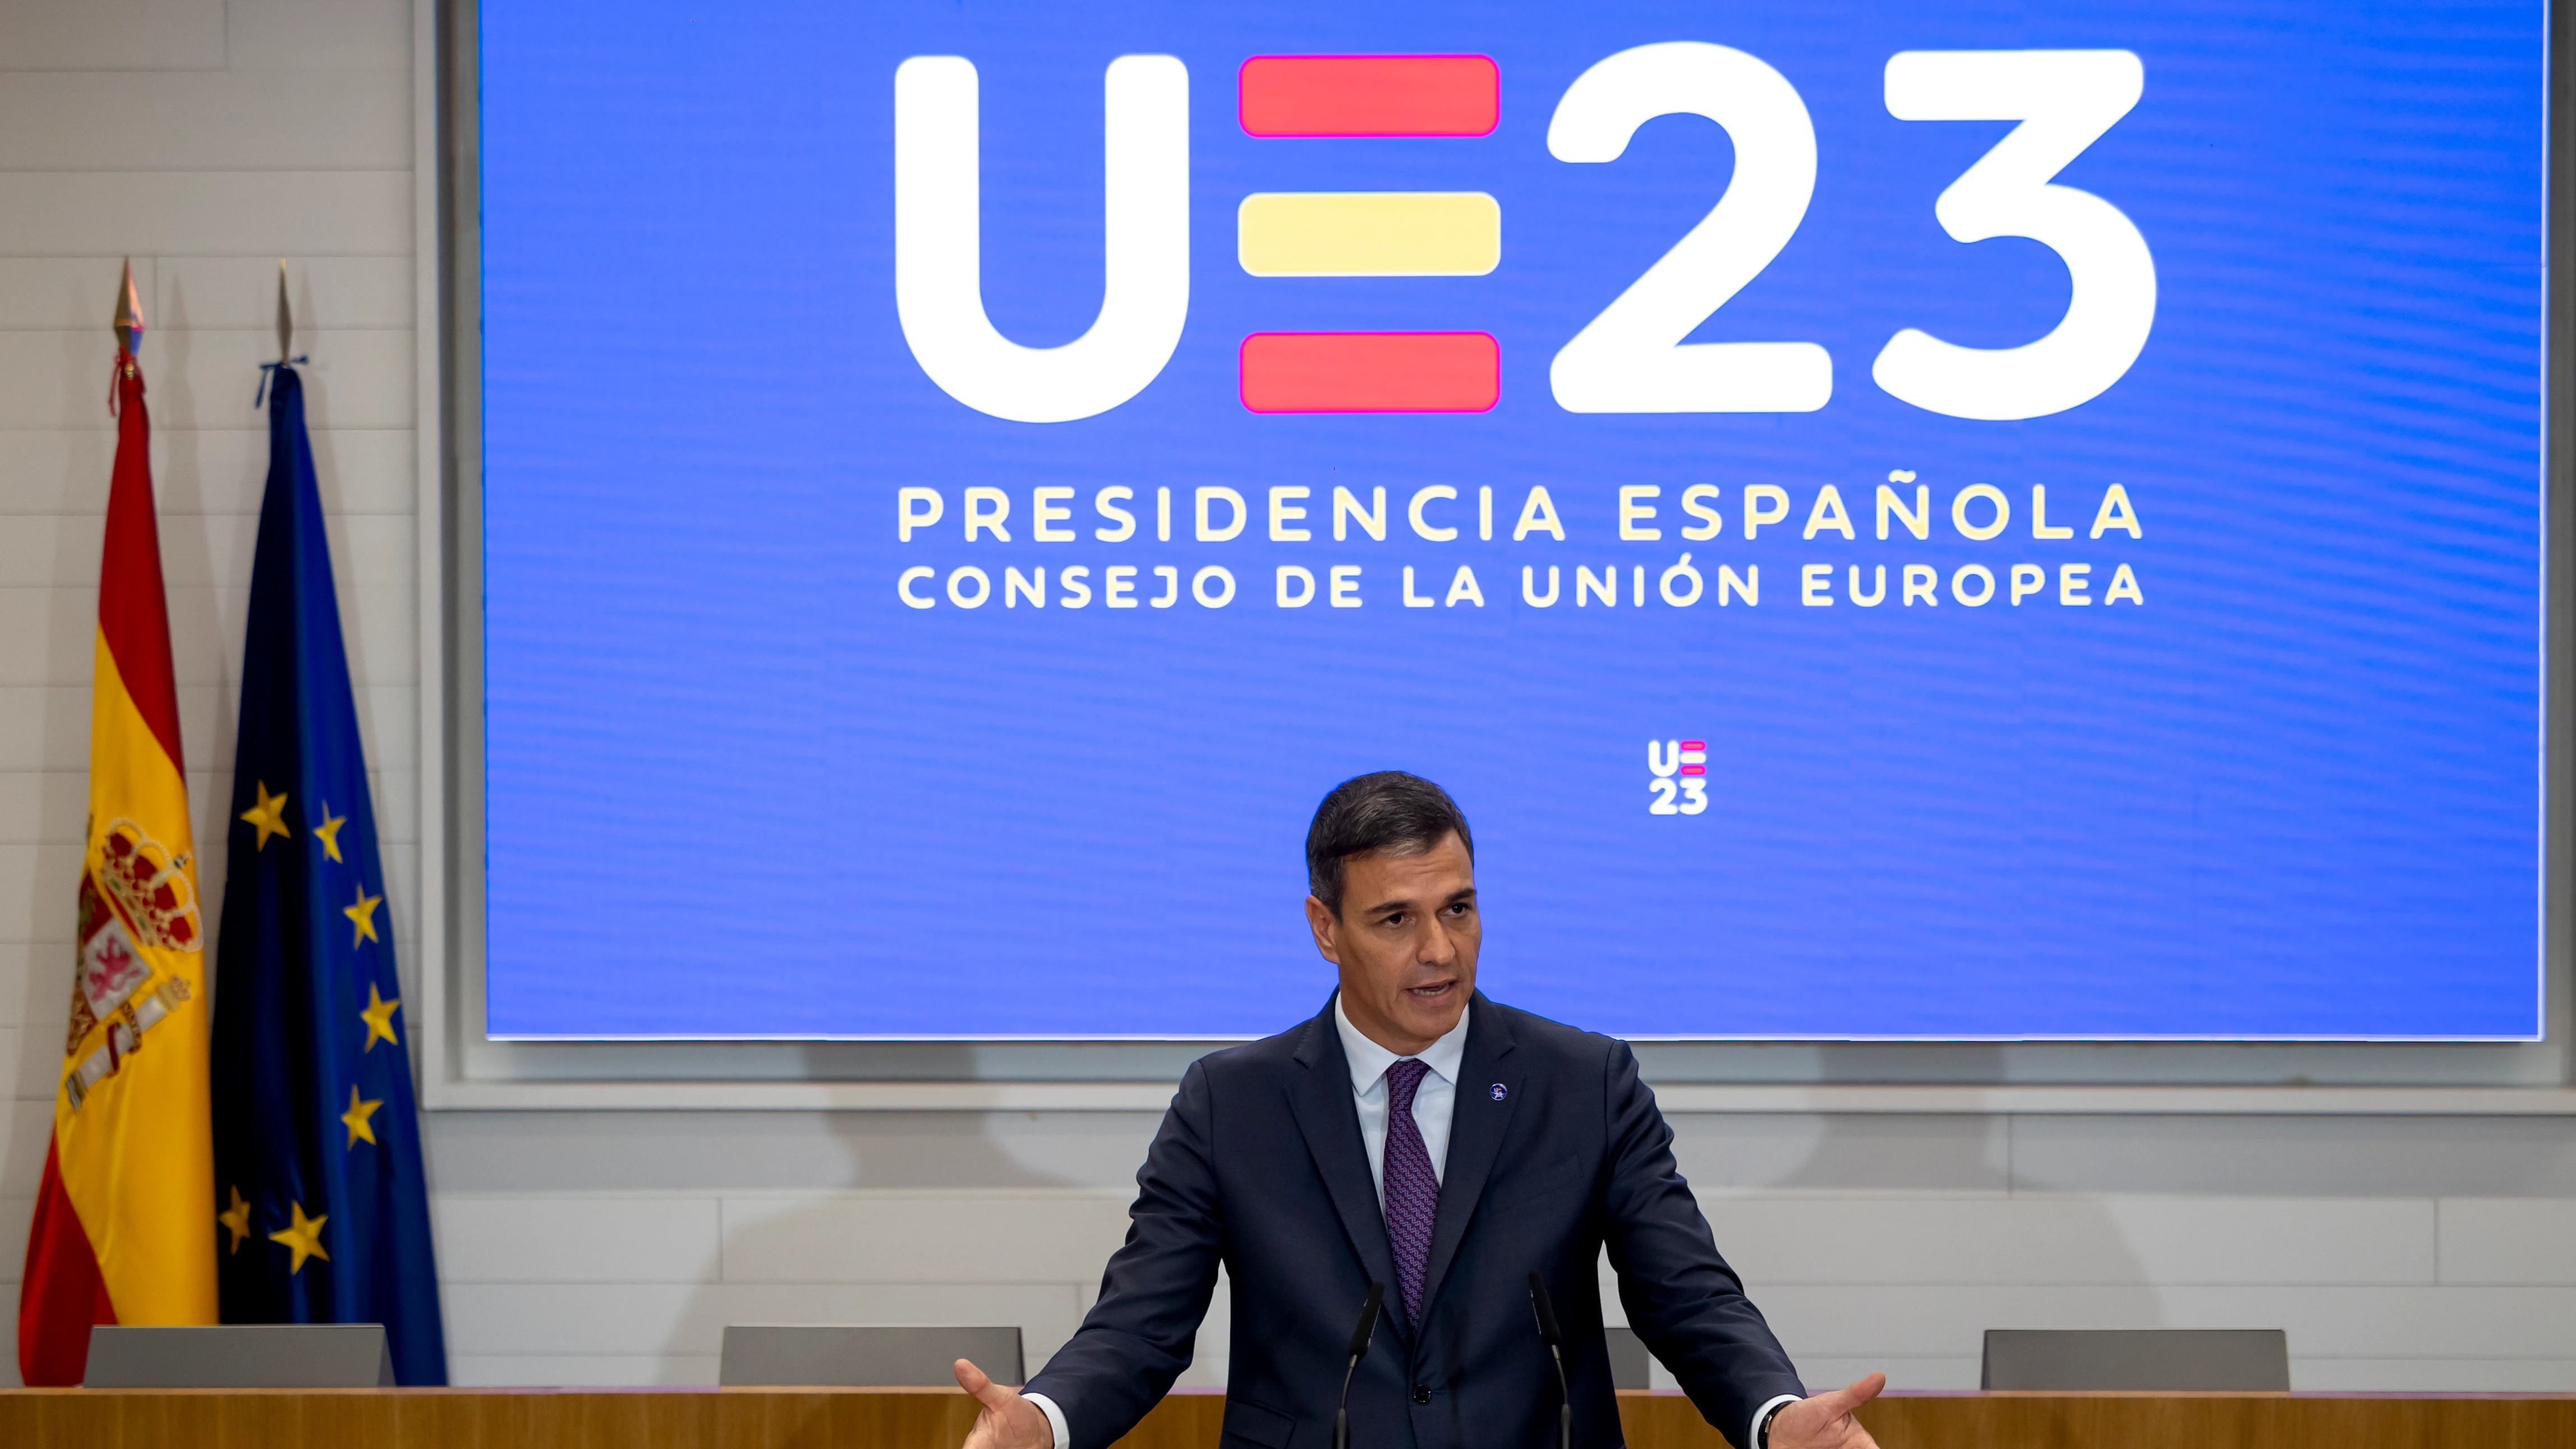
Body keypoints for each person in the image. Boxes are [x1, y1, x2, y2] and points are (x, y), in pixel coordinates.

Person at [953, 772, 1884, 1449]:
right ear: (1326, 927)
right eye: (1396, 918)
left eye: (1460, 908)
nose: (1440, 948)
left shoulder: (1583, 1082)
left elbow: (1686, 1294)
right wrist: (1046, 1417)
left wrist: (1773, 1414)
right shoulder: (1231, 1102)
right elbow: (1142, 1322)